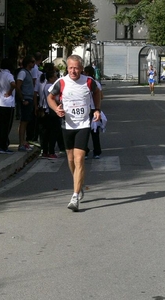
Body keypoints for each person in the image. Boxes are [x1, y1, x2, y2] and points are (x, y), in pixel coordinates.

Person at [47, 55, 101, 212]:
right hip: (67, 125)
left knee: (79, 159)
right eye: (70, 68)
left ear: (81, 68)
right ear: (67, 68)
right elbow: (50, 97)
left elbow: (97, 93)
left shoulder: (88, 81)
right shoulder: (62, 82)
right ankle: (78, 183)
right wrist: (56, 108)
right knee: (70, 159)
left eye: (76, 68)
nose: (73, 71)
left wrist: (97, 109)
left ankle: (75, 195)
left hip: (83, 124)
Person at [0, 58, 16, 154]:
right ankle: (4, 145)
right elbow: (13, 84)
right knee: (6, 125)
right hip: (8, 102)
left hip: (0, 101)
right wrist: (10, 91)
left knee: (0, 124)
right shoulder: (9, 75)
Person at [15, 55, 35, 152]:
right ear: (28, 63)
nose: (34, 64)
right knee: (24, 121)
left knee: (26, 121)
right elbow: (18, 86)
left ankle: (23, 142)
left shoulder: (28, 73)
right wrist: (22, 99)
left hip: (29, 98)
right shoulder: (23, 73)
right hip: (26, 99)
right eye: (32, 62)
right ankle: (21, 143)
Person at [83, 65, 103, 159]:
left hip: (85, 109)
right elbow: (101, 96)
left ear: (86, 73)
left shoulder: (83, 82)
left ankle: (85, 151)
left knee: (84, 131)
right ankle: (97, 152)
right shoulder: (96, 83)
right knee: (95, 131)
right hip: (95, 109)